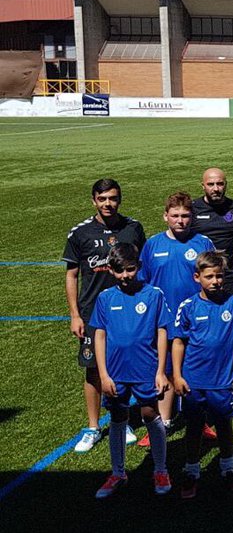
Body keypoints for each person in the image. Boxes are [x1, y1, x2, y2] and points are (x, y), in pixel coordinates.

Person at [66, 179, 146, 453]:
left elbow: (142, 267)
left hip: (129, 312)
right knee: (93, 370)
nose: (108, 203)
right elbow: (72, 274)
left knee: (126, 364)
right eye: (102, 199)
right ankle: (92, 427)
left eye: (112, 198)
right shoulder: (80, 233)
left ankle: (121, 421)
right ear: (94, 201)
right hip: (92, 313)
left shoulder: (133, 228)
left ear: (120, 199)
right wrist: (75, 315)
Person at [91, 243, 172, 499]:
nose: (125, 275)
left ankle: (160, 469)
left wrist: (161, 371)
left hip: (146, 369)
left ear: (138, 267)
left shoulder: (153, 295)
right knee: (117, 417)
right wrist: (103, 375)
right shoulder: (105, 298)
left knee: (150, 413)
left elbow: (162, 332)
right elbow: (100, 336)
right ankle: (118, 472)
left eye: (130, 269)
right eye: (119, 271)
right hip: (115, 371)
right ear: (111, 271)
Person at [172, 251, 233, 498]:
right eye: (209, 276)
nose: (216, 281)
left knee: (225, 424)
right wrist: (176, 375)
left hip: (223, 379)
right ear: (197, 277)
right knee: (194, 425)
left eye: (220, 276)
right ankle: (192, 470)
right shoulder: (189, 306)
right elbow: (179, 342)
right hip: (194, 379)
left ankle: (228, 467)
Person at [138, 191, 215, 434]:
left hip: (198, 318)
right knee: (167, 370)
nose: (180, 220)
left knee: (197, 370)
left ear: (192, 217)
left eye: (185, 215)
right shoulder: (152, 245)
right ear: (165, 217)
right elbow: (144, 283)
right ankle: (165, 423)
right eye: (175, 216)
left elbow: (214, 278)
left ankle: (201, 421)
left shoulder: (203, 243)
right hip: (163, 320)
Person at [191, 168, 233, 295]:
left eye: (220, 184)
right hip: (200, 274)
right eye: (210, 184)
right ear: (203, 186)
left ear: (225, 185)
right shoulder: (192, 209)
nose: (216, 189)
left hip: (226, 275)